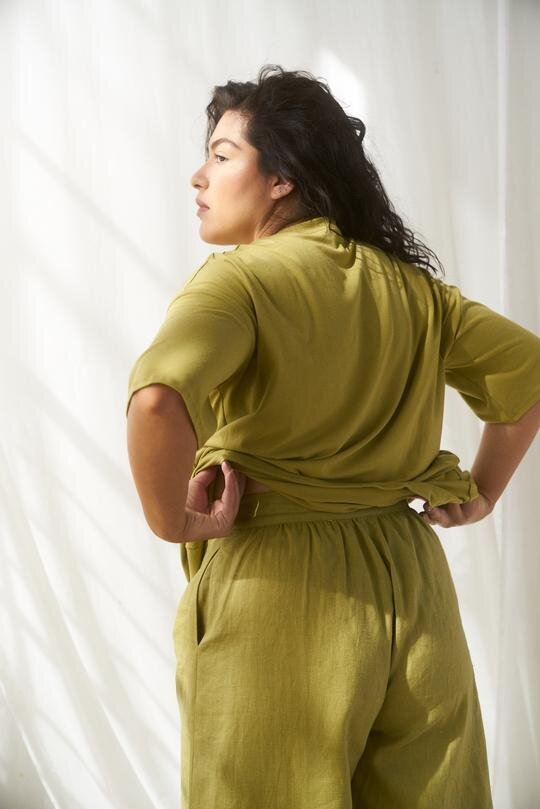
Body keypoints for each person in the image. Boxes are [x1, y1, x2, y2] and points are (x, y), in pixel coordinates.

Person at [125, 65, 540, 809]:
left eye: (221, 155)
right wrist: (480, 492)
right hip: (412, 580)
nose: (199, 176)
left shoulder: (239, 282)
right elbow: (529, 378)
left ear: (281, 177)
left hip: (280, 591)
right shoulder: (415, 291)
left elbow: (157, 402)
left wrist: (171, 520)